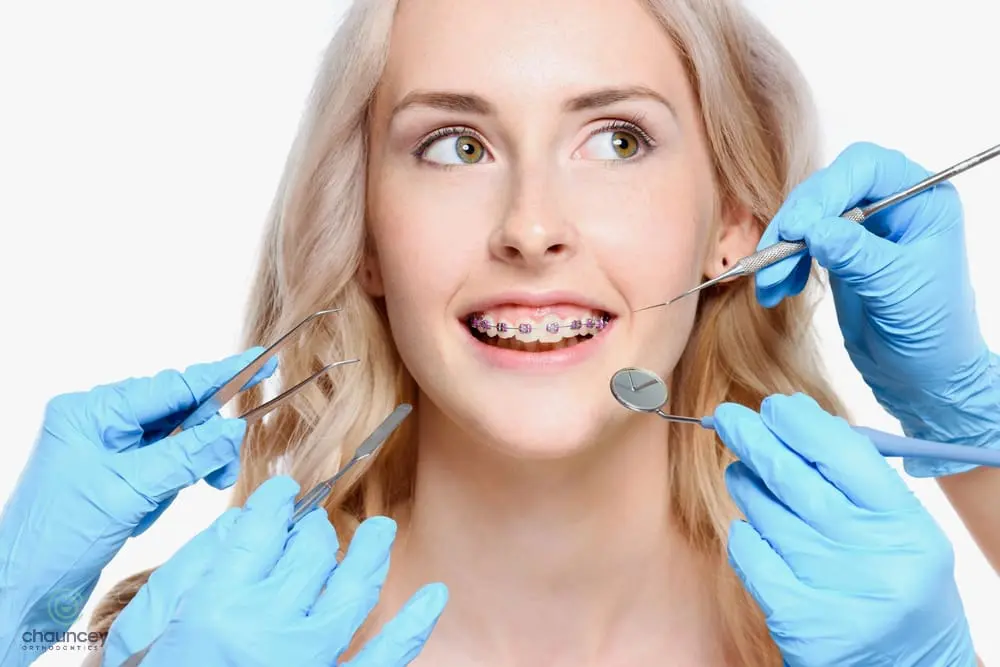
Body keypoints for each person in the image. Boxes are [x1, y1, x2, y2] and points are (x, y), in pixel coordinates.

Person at [0, 0, 994, 664]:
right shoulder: (191, 635)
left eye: (617, 141)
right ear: (365, 236)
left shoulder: (878, 623)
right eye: (455, 145)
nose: (529, 227)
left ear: (733, 219)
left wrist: (977, 439)